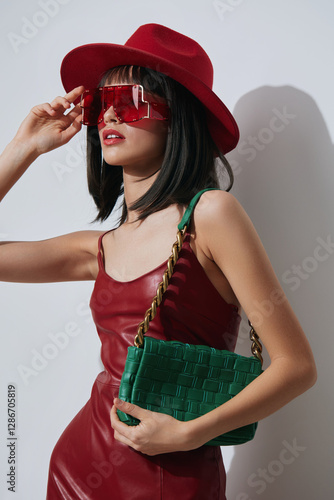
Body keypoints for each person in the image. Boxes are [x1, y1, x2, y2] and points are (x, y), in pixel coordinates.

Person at [0, 23, 317, 500]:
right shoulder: (100, 247)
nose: (110, 115)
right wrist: (23, 149)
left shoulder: (211, 215)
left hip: (174, 473)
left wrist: (192, 433)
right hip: (76, 468)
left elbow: (296, 366)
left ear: (178, 117)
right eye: (100, 105)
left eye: (129, 101)